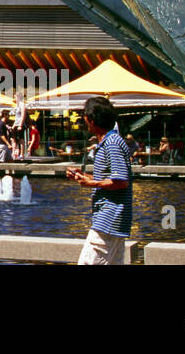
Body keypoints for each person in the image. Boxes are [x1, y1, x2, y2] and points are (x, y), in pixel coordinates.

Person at [66, 96, 133, 265]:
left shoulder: (112, 143)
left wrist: (92, 183)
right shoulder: (109, 142)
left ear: (92, 119)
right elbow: (110, 179)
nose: (84, 120)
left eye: (85, 116)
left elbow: (121, 181)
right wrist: (84, 177)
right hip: (113, 222)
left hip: (108, 220)